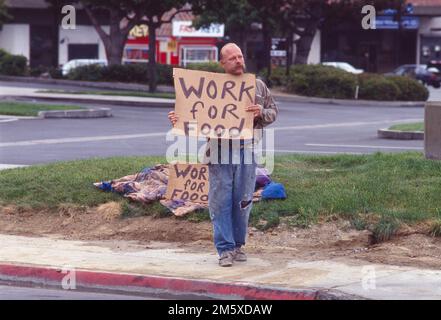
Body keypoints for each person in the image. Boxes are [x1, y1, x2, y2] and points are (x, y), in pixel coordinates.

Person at [168, 43, 278, 267]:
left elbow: (273, 112)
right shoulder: (211, 87)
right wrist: (178, 120)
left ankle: (238, 246)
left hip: (246, 149)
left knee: (243, 200)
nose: (238, 60)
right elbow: (193, 114)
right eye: (232, 58)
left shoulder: (257, 86)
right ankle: (225, 249)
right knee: (220, 202)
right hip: (218, 151)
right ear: (223, 63)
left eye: (240, 56)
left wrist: (261, 113)